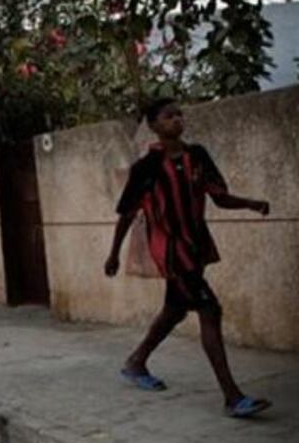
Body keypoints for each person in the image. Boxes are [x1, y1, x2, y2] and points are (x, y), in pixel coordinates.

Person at [105, 97, 272, 419]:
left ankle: (136, 362)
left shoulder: (198, 155)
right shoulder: (146, 167)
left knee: (175, 309)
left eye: (180, 114)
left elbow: (219, 197)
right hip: (170, 250)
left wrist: (250, 203)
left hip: (195, 246)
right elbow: (127, 214)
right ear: (154, 125)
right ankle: (232, 397)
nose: (178, 119)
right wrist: (113, 254)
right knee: (210, 309)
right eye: (169, 116)